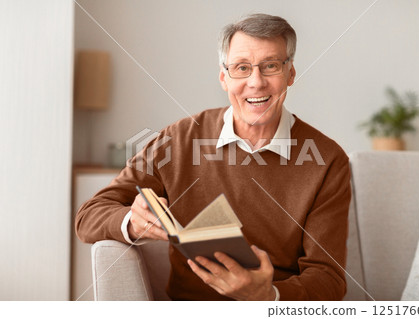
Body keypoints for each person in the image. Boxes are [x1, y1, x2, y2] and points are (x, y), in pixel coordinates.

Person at [75, 13, 351, 301]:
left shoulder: (328, 160)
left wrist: (268, 295)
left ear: (290, 73)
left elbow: (328, 279)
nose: (256, 83)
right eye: (242, 68)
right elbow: (88, 216)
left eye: (270, 66)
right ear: (224, 77)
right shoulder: (179, 139)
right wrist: (132, 221)